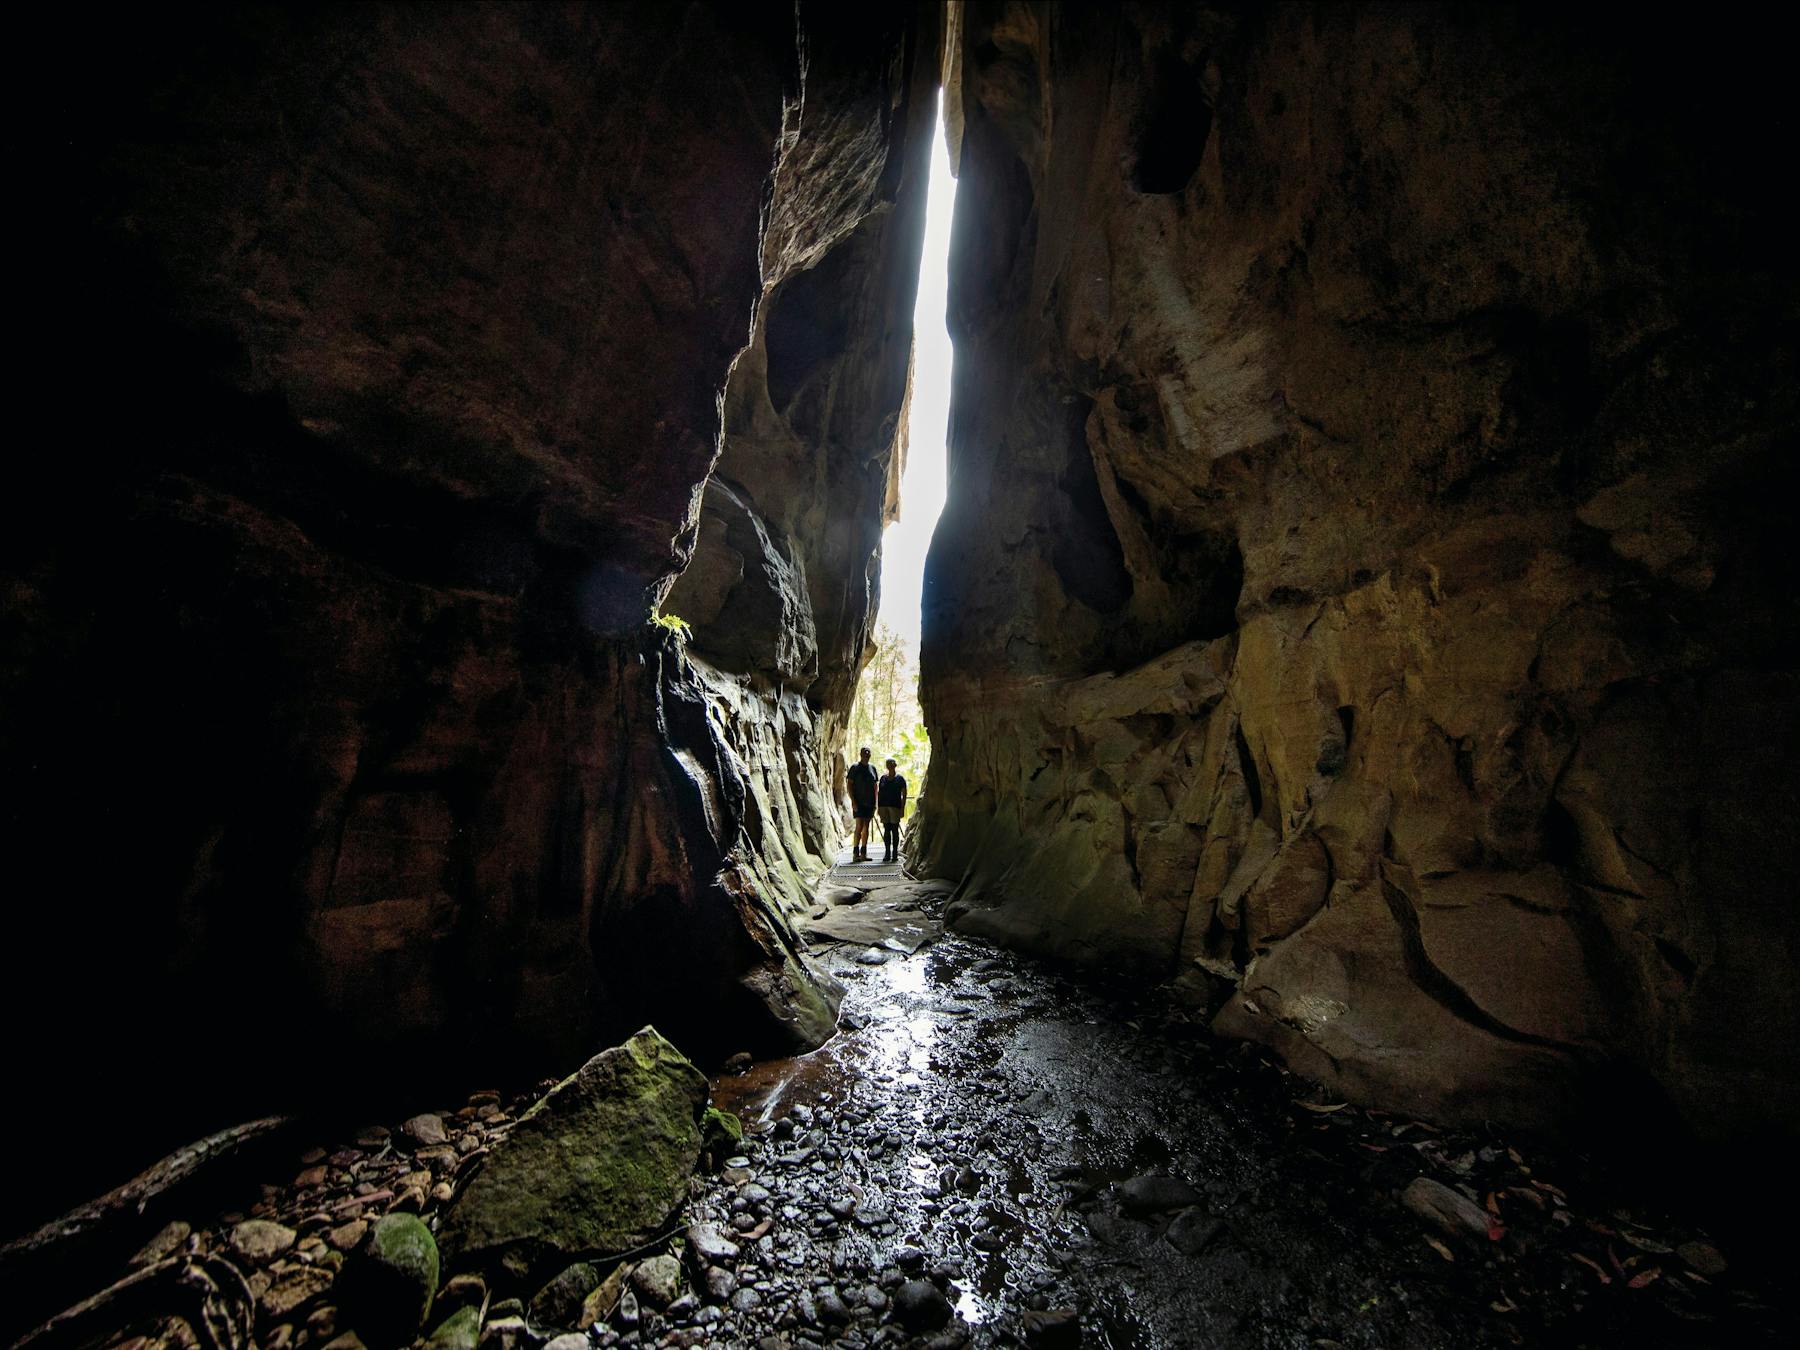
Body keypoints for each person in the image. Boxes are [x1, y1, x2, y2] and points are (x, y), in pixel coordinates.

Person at [846, 746, 879, 861]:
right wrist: (853, 801)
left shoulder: (872, 768)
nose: (867, 754)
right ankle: (855, 853)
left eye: (868, 752)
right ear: (860, 754)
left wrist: (875, 803)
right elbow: (849, 785)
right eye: (865, 752)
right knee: (859, 827)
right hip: (858, 802)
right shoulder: (855, 768)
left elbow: (875, 787)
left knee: (867, 827)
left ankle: (864, 853)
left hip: (869, 803)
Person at [877, 758, 908, 862]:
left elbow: (904, 794)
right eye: (888, 763)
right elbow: (879, 794)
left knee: (895, 830)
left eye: (892, 763)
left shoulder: (900, 779)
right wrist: (879, 808)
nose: (890, 765)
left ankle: (894, 852)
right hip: (884, 807)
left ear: (895, 765)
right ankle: (887, 852)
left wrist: (902, 808)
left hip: (895, 807)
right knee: (887, 829)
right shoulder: (883, 778)